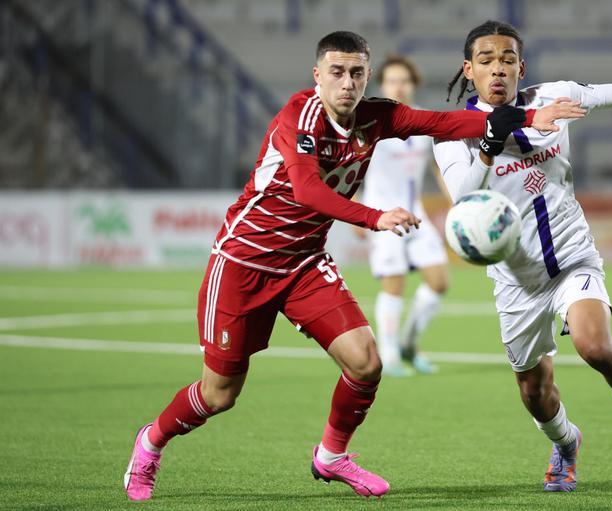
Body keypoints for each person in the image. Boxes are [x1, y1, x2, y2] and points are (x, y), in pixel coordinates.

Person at [122, 30, 577, 501]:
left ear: (367, 75)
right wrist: (374, 217)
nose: (347, 82)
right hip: (243, 263)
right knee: (219, 395)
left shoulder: (377, 116)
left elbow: (442, 122)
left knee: (365, 363)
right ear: (317, 76)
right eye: (337, 72)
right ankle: (151, 441)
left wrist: (528, 116)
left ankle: (331, 456)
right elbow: (308, 191)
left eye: (357, 72)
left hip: (304, 264)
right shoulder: (297, 118)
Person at [433, 20, 612, 492]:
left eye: (508, 59)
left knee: (595, 344)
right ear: (468, 70)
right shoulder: (452, 134)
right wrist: (489, 144)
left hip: (573, 258)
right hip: (517, 281)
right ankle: (567, 443)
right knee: (534, 391)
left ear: (521, 67)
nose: (498, 69)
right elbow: (464, 201)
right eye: (486, 61)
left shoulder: (555, 98)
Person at [359, 55, 450, 377]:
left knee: (439, 281)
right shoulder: (368, 122)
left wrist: (457, 202)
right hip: (382, 215)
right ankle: (389, 354)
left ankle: (410, 344)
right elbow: (351, 166)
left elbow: (438, 167)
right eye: (392, 80)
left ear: (414, 85)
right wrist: (357, 213)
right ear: (381, 85)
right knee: (394, 284)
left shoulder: (424, 121)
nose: (399, 85)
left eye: (405, 80)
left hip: (416, 214)